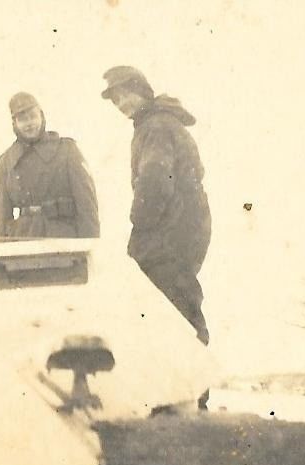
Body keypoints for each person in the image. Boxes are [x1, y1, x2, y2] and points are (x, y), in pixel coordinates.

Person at [101, 66, 211, 346]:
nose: (121, 104)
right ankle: (191, 385)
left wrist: (139, 229)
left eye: (125, 95)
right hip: (185, 226)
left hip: (170, 231)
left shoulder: (156, 126)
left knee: (173, 311)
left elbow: (154, 181)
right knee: (179, 305)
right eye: (116, 101)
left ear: (141, 89)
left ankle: (190, 386)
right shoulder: (158, 122)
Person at [0, 92, 100, 239]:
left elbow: (87, 204)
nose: (29, 123)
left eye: (33, 116)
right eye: (22, 119)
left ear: (42, 117)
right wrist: (0, 253)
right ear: (15, 124)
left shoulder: (66, 150)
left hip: (63, 237)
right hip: (23, 239)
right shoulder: (6, 162)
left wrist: (90, 246)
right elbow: (1, 215)